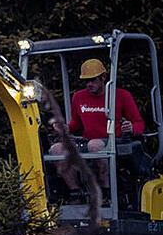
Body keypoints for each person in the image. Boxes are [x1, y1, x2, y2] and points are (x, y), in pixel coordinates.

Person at [50, 58, 146, 195]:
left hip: (114, 140)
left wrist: (131, 128)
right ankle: (75, 192)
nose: (89, 84)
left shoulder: (121, 96)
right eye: (85, 81)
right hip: (87, 141)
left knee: (95, 145)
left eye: (93, 80)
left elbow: (139, 123)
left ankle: (107, 193)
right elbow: (75, 124)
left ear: (103, 77)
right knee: (56, 149)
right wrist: (65, 128)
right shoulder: (78, 97)